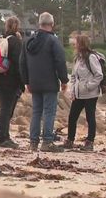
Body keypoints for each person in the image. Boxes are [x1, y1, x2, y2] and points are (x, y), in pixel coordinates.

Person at [20, 12, 69, 153]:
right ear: (52, 24)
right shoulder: (53, 41)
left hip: (34, 82)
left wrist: (26, 81)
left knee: (36, 112)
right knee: (49, 112)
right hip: (49, 83)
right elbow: (60, 61)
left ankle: (33, 142)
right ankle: (47, 141)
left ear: (39, 24)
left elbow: (22, 62)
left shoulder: (28, 41)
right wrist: (64, 80)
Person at [63, 35, 104, 151]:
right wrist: (73, 91)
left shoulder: (91, 57)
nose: (73, 45)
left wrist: (88, 86)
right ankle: (70, 140)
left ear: (81, 44)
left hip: (90, 94)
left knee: (90, 117)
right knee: (72, 117)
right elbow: (73, 76)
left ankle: (90, 142)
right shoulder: (77, 58)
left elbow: (99, 75)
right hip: (78, 94)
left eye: (75, 43)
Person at [0, 16, 25, 149]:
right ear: (17, 26)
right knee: (6, 109)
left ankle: (5, 135)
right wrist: (22, 83)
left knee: (6, 109)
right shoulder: (15, 42)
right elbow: (18, 64)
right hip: (8, 81)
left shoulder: (0, 39)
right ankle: (1, 138)